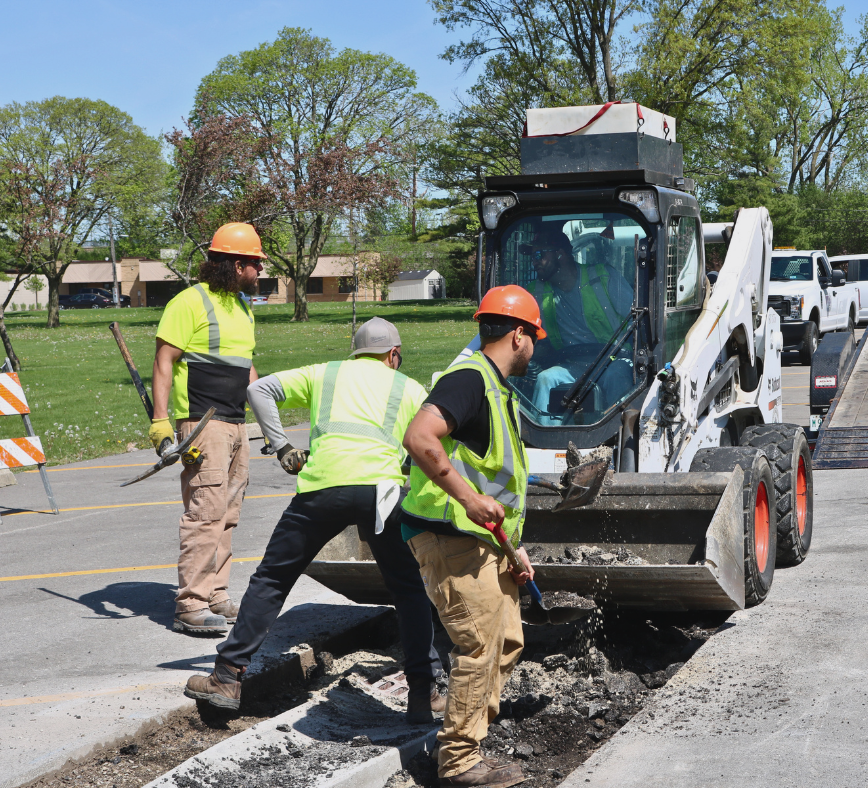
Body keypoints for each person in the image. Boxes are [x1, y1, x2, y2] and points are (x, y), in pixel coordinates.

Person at [184, 317, 444, 723]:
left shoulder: (327, 373)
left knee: (273, 578)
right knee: (409, 589)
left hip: (322, 489)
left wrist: (282, 443)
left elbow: (258, 388)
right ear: (393, 355)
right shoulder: (409, 387)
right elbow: (429, 442)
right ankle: (424, 694)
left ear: (355, 352)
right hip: (382, 493)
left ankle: (227, 676)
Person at [400, 285, 544, 788]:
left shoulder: (493, 387)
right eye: (535, 338)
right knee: (478, 643)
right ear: (520, 336)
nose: (535, 350)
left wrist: (513, 547)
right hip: (449, 536)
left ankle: (469, 737)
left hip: (482, 539)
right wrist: (465, 499)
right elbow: (419, 437)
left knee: (506, 640)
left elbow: (492, 483)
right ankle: (458, 761)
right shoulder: (469, 379)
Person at [150, 222, 264, 635]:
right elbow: (165, 361)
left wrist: (269, 425)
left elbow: (246, 367)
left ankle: (215, 594)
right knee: (205, 514)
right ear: (236, 265)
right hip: (202, 424)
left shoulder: (243, 307)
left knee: (228, 514)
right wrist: (161, 423)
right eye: (255, 264)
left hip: (235, 424)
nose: (259, 271)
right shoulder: (188, 302)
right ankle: (190, 606)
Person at [525, 228, 633, 418]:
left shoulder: (604, 278)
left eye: (540, 254)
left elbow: (636, 318)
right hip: (570, 363)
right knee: (545, 379)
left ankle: (620, 434)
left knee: (618, 375)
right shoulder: (537, 291)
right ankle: (545, 441)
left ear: (560, 254)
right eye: (533, 256)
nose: (535, 261)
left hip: (612, 360)